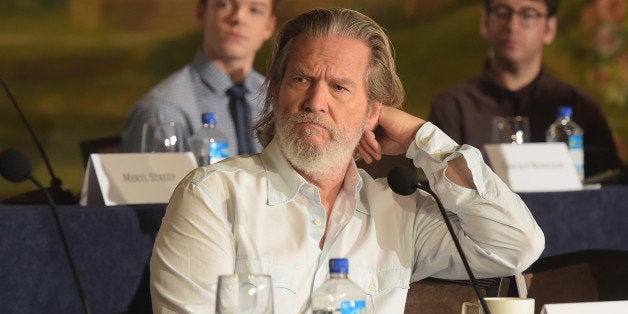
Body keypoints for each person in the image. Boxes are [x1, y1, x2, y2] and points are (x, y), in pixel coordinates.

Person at [150, 7, 545, 313]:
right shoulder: (213, 196)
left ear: (373, 112)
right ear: (275, 92)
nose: (315, 102)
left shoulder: (398, 212)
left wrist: (419, 137)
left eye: (339, 88)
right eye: (301, 80)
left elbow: (516, 245)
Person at [429, 0, 622, 178]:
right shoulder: (453, 107)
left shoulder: (581, 109)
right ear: (484, 22)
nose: (512, 26)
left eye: (528, 14)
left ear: (550, 28)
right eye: (502, 12)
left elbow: (612, 189)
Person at [121, 0, 277, 156]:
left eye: (255, 10)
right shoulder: (162, 110)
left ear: (269, 26)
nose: (239, 18)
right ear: (201, 13)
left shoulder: (276, 100)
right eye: (224, 4)